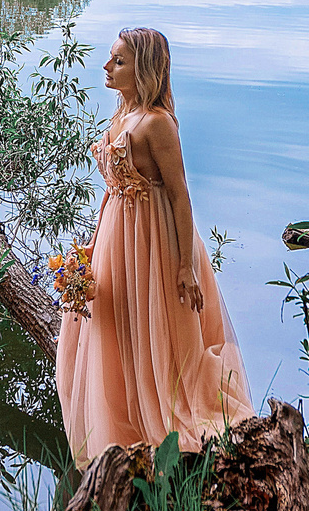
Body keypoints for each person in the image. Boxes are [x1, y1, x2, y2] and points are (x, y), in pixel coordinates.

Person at [56, 27, 253, 464]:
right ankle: (123, 414)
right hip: (116, 235)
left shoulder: (157, 124)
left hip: (154, 239)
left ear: (143, 68)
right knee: (117, 324)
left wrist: (186, 266)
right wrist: (91, 249)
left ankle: (161, 424)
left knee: (155, 327)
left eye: (118, 61)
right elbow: (112, 188)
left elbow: (180, 195)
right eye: (110, 59)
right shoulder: (122, 115)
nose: (107, 67)